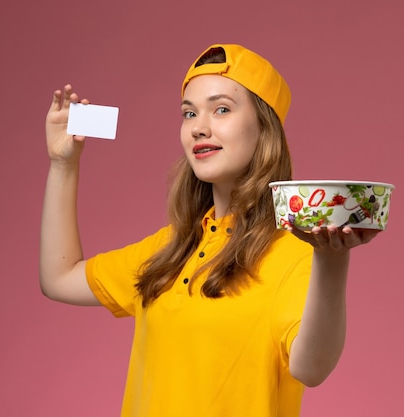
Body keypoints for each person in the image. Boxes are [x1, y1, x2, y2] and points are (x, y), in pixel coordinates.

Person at [40, 43, 380, 417]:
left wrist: (331, 260)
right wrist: (63, 165)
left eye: (221, 109)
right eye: (189, 113)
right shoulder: (170, 250)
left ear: (264, 127)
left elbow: (311, 369)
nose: (199, 127)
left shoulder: (294, 252)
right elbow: (59, 277)